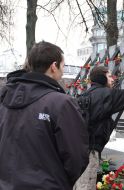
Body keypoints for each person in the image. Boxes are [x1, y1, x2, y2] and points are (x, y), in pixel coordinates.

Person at [0, 41, 89, 190]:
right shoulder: (61, 103)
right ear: (54, 66)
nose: (63, 71)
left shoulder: (4, 98)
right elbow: (77, 158)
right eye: (63, 65)